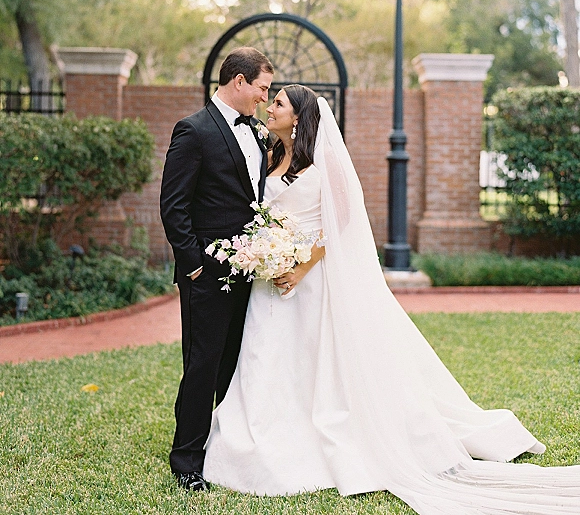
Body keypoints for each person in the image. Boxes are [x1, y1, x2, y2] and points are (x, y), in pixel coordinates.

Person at [204, 85, 580, 514]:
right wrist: (267, 253)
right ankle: (262, 434)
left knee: (316, 358)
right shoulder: (268, 156)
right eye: (271, 101)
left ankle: (322, 435)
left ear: (299, 116)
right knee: (267, 357)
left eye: (279, 104)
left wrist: (301, 264)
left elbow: (342, 221)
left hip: (311, 277)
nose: (270, 108)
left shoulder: (323, 162)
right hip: (271, 280)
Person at [159, 46, 273, 492]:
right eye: (262, 88)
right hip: (207, 273)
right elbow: (174, 208)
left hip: (252, 271)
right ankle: (186, 459)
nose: (265, 98)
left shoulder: (259, 133)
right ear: (240, 82)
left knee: (236, 362)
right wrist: (194, 267)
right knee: (203, 364)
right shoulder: (194, 130)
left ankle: (223, 450)